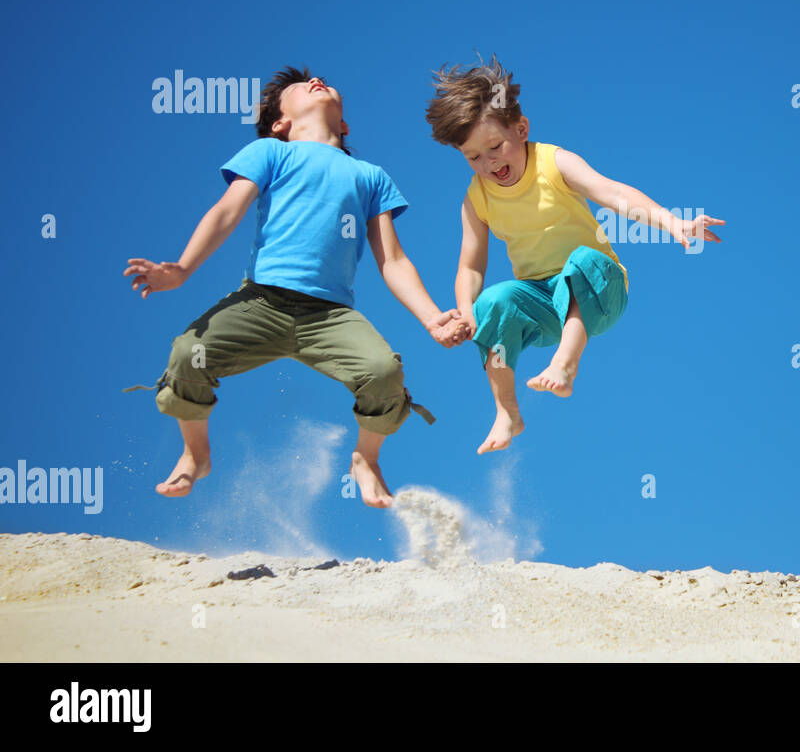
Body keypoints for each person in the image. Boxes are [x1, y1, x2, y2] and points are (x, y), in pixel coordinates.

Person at [123, 66, 468, 507]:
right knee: (188, 354)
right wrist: (183, 269)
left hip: (330, 316)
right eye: (301, 87)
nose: (316, 81)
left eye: (321, 81)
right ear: (280, 124)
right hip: (261, 301)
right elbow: (227, 211)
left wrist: (431, 318)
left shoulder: (370, 176)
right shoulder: (270, 152)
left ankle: (366, 458)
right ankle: (196, 452)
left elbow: (394, 260)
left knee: (383, 372)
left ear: (344, 125)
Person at [424, 54, 724, 455]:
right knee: (492, 301)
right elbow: (470, 265)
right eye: (473, 157)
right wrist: (465, 309)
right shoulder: (476, 198)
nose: (489, 162)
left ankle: (565, 364)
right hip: (543, 304)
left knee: (581, 261)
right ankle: (507, 412)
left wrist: (674, 224)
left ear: (521, 128)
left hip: (599, 287)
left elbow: (614, 193)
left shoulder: (553, 161)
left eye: (495, 146)